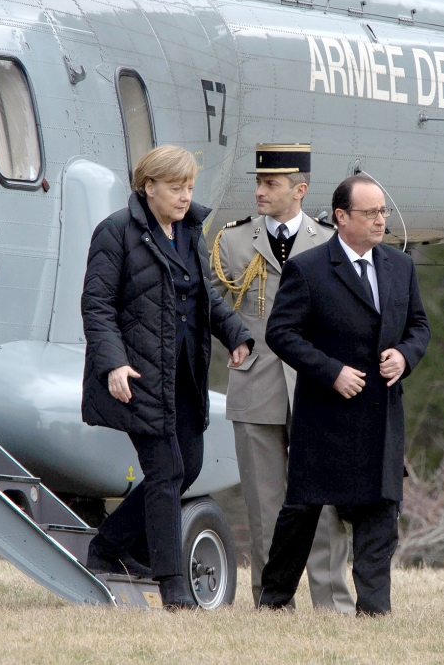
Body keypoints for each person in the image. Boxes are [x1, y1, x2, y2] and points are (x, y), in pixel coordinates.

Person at [81, 145, 253, 610]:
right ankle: (173, 585)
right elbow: (97, 307)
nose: (184, 196)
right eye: (176, 188)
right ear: (148, 185)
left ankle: (109, 546)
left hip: (184, 376)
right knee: (166, 470)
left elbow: (205, 300)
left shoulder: (191, 231)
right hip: (137, 375)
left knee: (189, 466)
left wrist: (235, 332)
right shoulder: (115, 232)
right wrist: (113, 363)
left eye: (190, 187)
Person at [258, 174, 430, 616]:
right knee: (301, 515)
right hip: (326, 416)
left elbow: (419, 327)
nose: (380, 220)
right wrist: (330, 371)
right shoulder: (309, 268)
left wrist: (404, 356)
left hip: (382, 415)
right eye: (370, 213)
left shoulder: (400, 265)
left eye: (383, 212)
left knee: (380, 514)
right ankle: (274, 602)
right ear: (341, 217)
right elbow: (281, 333)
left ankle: (375, 611)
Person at [210, 144, 354, 613]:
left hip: (317, 385)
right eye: (258, 182)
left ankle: (332, 601)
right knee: (264, 504)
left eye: (270, 184)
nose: (259, 191)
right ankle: (273, 602)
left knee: (326, 504)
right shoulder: (231, 242)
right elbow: (210, 304)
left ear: (300, 189)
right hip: (254, 382)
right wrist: (233, 339)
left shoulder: (332, 240)